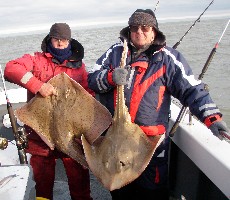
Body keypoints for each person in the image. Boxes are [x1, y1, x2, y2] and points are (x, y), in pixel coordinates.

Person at [87, 9, 230, 200]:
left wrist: (212, 117)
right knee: (120, 191)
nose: (140, 32)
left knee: (152, 192)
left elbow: (192, 89)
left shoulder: (168, 59)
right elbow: (92, 79)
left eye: (145, 27)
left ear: (154, 31)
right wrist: (110, 77)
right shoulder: (114, 52)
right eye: (134, 28)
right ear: (129, 31)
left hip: (150, 144)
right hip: (117, 140)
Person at [4, 23, 93, 200]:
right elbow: (11, 68)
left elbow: (87, 95)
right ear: (50, 39)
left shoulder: (78, 66)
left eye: (64, 40)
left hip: (69, 136)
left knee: (80, 184)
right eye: (56, 39)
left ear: (69, 41)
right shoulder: (36, 59)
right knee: (42, 189)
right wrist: (37, 85)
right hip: (40, 135)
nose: (60, 43)